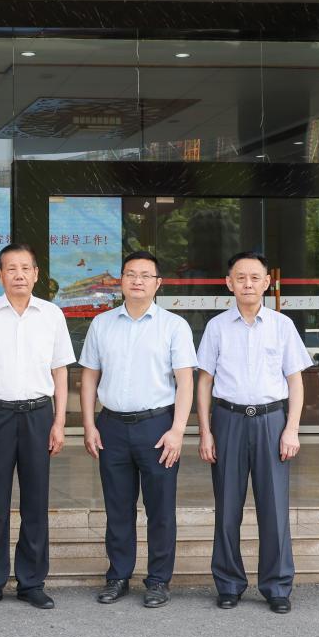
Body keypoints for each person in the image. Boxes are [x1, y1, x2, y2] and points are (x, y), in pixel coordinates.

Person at [0, 243, 74, 610]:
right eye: (11, 268)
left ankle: (31, 582)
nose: (19, 275)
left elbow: (60, 372)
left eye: (26, 268)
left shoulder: (52, 315)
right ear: (0, 275)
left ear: (37, 274)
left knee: (35, 502)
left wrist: (59, 422)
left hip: (38, 414)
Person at [196, 250, 312, 614]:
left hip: (271, 421)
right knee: (227, 507)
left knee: (274, 508)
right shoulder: (216, 327)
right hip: (227, 420)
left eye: (255, 277)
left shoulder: (282, 325)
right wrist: (205, 431)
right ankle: (229, 584)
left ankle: (277, 586)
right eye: (240, 277)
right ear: (229, 283)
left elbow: (295, 381)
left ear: (267, 282)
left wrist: (292, 429)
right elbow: (204, 382)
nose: (248, 283)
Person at [79, 250, 196, 608]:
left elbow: (185, 381)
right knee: (118, 507)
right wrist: (89, 424)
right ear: (121, 280)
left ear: (158, 283)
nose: (137, 281)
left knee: (160, 509)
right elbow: (89, 376)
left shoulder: (174, 326)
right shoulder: (102, 324)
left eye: (146, 275)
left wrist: (178, 430)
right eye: (130, 274)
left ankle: (158, 580)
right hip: (111, 426)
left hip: (157, 427)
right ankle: (118, 575)